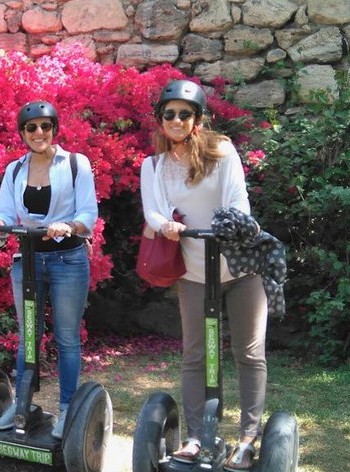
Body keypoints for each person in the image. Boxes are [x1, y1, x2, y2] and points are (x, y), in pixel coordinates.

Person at [140, 79, 267, 471]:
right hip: (195, 270)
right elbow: (153, 210)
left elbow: (237, 199)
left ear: (197, 119)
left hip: (242, 266)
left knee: (248, 353)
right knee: (195, 353)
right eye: (169, 114)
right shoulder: (154, 166)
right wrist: (164, 225)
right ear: (161, 119)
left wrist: (232, 223)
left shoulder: (222, 152)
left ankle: (247, 439)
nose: (176, 120)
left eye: (185, 114)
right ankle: (197, 436)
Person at [0, 101, 98, 439]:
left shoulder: (75, 164)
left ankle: (67, 408)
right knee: (27, 337)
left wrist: (69, 226)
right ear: (23, 133)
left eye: (45, 126)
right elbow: (5, 213)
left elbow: (88, 212)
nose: (39, 132)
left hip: (68, 259)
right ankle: (21, 406)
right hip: (28, 260)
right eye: (31, 127)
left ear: (54, 129)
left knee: (67, 338)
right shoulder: (15, 169)